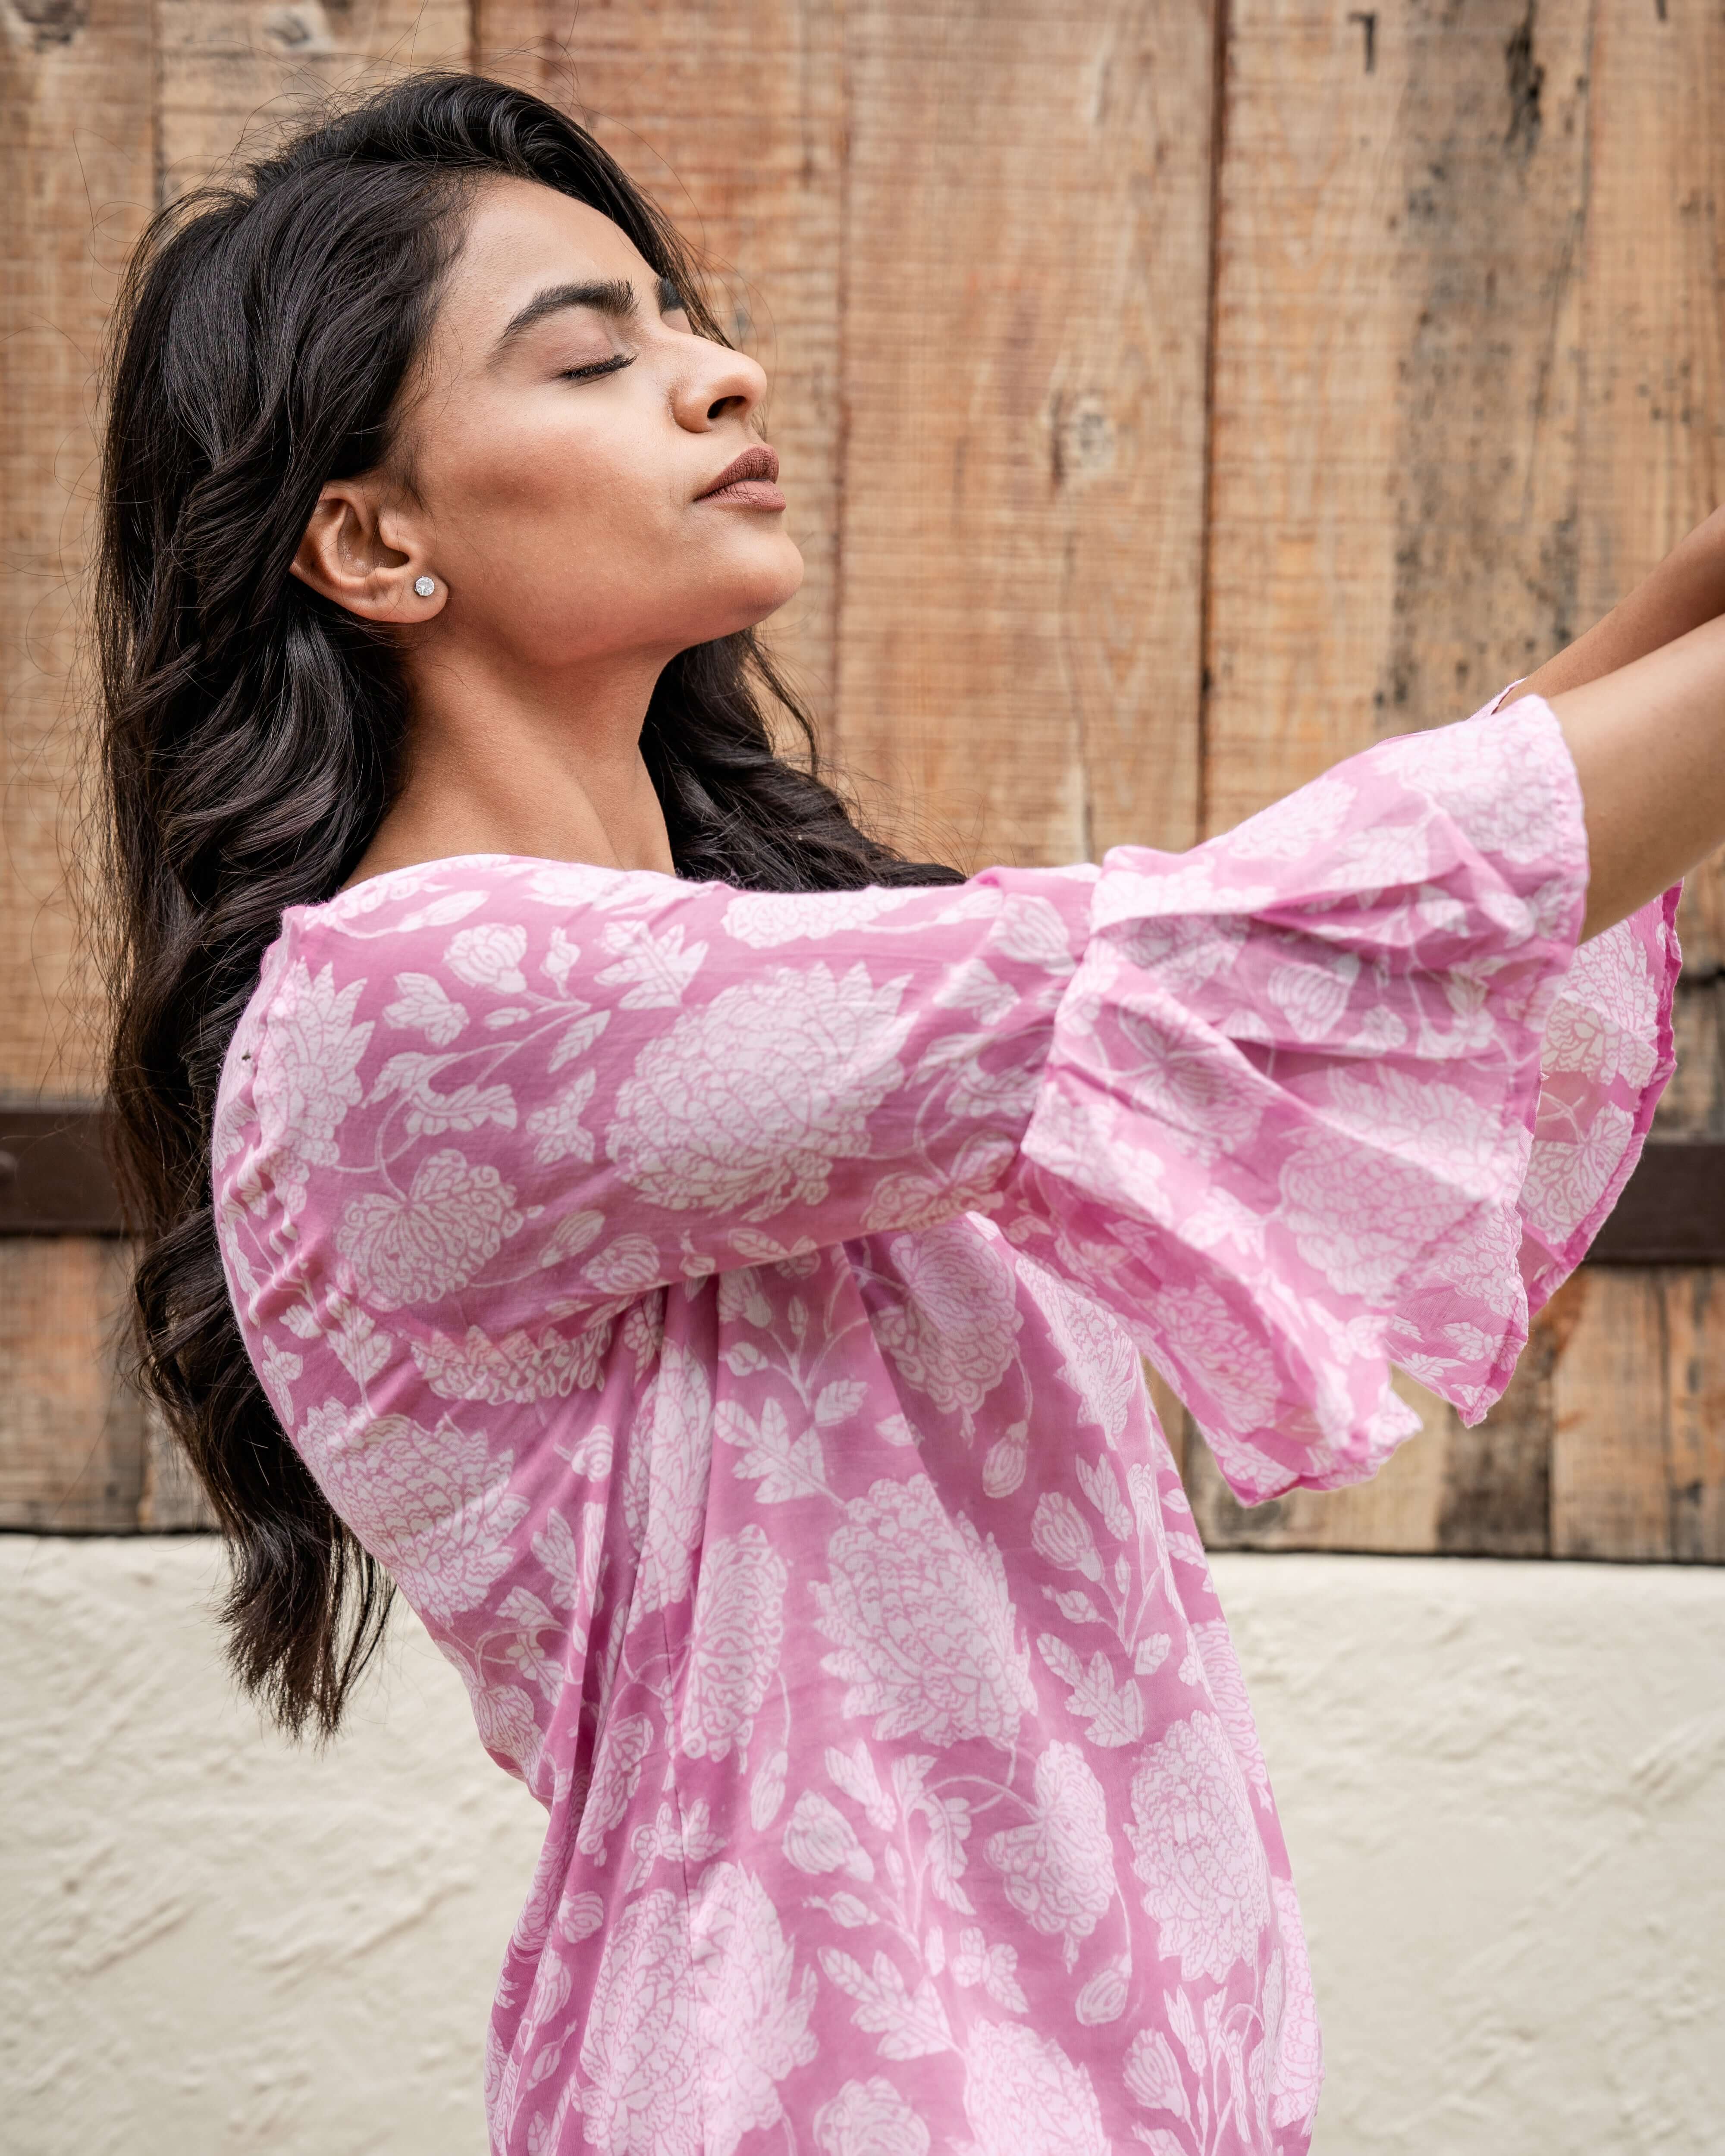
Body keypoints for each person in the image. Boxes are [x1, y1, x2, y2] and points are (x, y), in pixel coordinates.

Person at [93, 69, 1724, 2156]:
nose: (719, 372)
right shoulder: (406, 1014)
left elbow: (1321, 946)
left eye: (683, 321)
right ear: (374, 539)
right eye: (594, 354)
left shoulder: (784, 1028)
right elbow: (1243, 952)